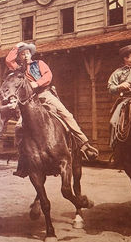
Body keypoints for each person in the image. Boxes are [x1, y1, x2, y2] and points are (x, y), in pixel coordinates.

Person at [6, 42, 99, 177]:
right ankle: (23, 160)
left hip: (44, 94)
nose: (25, 55)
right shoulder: (19, 70)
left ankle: (84, 144)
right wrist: (17, 46)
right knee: (19, 126)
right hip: (30, 100)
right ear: (19, 57)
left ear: (30, 54)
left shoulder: (39, 64)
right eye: (22, 54)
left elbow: (48, 76)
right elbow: (8, 60)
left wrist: (36, 83)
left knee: (66, 115)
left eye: (26, 53)